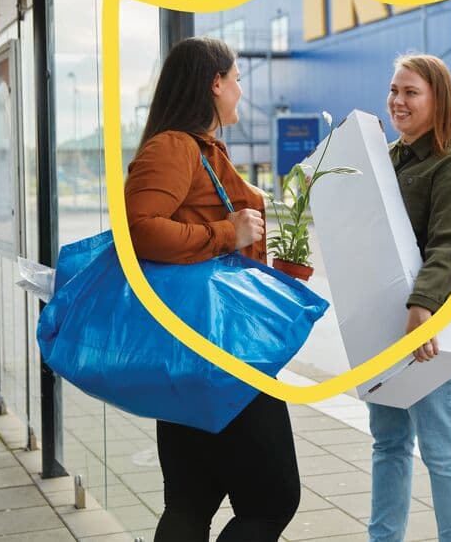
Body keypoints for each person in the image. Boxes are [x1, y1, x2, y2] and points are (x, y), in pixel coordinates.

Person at [124, 37, 300, 542]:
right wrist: (230, 232)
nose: (242, 90)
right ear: (215, 84)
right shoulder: (175, 146)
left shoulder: (195, 148)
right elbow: (140, 230)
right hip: (221, 352)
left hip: (195, 347)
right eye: (237, 78)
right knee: (271, 501)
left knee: (191, 499)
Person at [369, 54, 451, 542]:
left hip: (431, 328)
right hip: (386, 327)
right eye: (394, 90)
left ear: (438, 100)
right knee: (388, 444)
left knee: (441, 448)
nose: (398, 101)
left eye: (411, 92)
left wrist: (424, 308)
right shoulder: (385, 158)